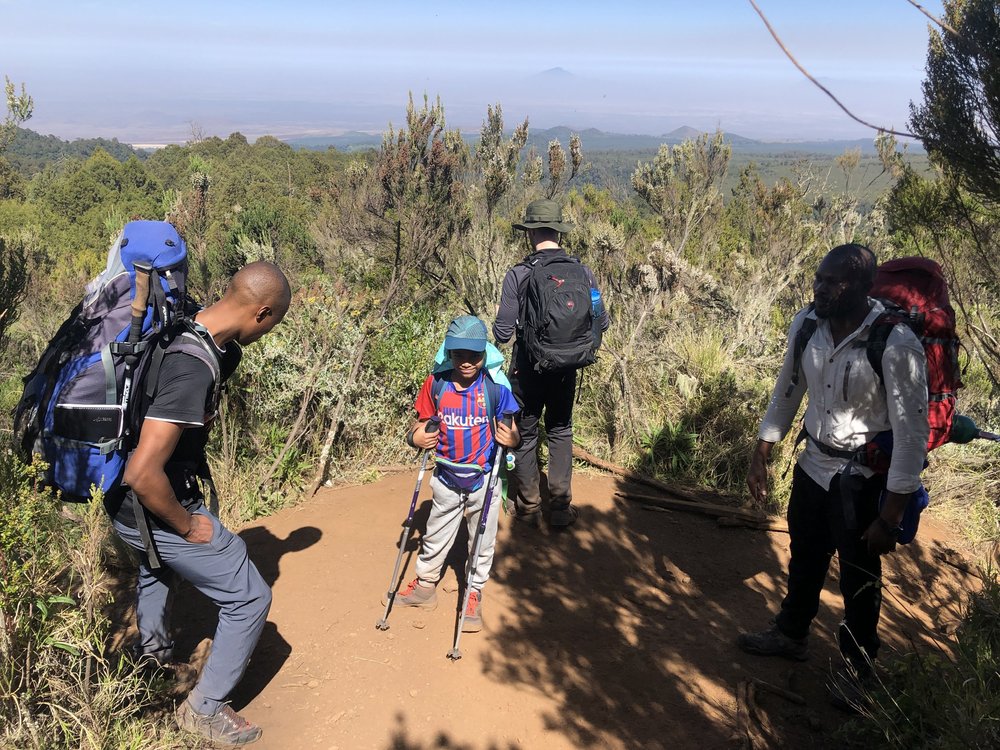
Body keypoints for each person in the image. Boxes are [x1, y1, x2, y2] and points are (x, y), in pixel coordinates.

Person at [105, 261, 292, 746]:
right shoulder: (194, 364)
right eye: (271, 325)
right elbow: (144, 474)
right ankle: (202, 712)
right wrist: (188, 526)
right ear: (263, 313)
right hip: (151, 501)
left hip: (119, 506)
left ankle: (153, 660)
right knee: (251, 597)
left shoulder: (182, 326)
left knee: (155, 567)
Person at [737, 243, 929, 709]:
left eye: (832, 282)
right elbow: (788, 388)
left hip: (860, 481)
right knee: (804, 555)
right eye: (818, 279)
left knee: (859, 577)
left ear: (862, 288)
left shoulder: (895, 342)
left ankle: (859, 669)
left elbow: (910, 434)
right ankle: (791, 633)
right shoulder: (807, 326)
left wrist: (890, 516)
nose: (819, 289)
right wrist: (763, 448)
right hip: (812, 468)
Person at [393, 315, 520, 632]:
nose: (466, 362)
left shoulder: (494, 388)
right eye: (458, 354)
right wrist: (416, 437)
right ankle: (425, 586)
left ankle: (473, 593)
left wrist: (512, 438)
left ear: (484, 354)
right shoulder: (436, 384)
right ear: (448, 353)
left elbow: (513, 431)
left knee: (482, 540)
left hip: (485, 480)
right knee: (435, 534)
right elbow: (419, 425)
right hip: (447, 477)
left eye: (474, 355)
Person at [493, 199, 609, 530]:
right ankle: (560, 507)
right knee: (560, 429)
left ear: (530, 232)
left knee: (527, 432)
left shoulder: (518, 274)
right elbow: (602, 320)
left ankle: (529, 504)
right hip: (566, 369)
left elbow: (502, 333)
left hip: (528, 369)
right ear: (559, 232)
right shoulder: (583, 271)